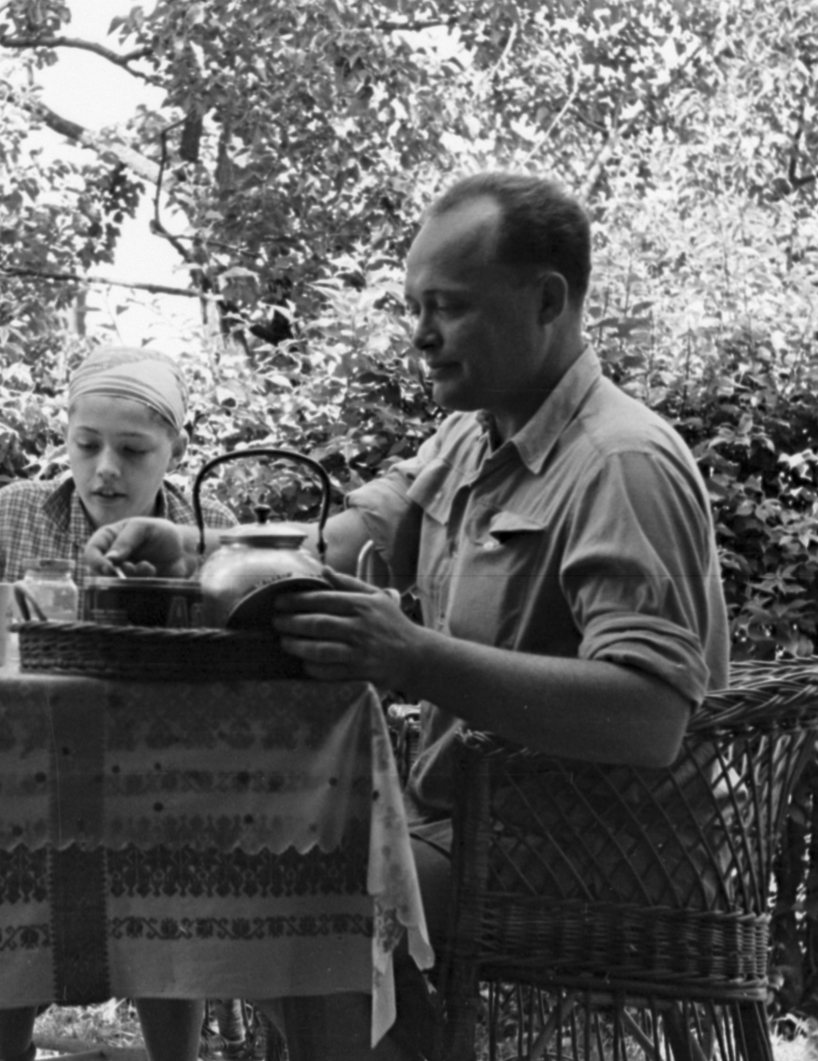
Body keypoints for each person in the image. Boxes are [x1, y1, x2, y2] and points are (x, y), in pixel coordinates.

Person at [84, 171, 730, 1059]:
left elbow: (652, 716)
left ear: (548, 301)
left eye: (450, 306)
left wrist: (412, 655)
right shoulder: (472, 437)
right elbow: (334, 541)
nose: (422, 335)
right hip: (457, 825)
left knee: (281, 897)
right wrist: (191, 551)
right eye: (414, 305)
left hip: (596, 853)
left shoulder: (620, 463)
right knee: (225, 863)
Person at [0, 344, 238, 1061]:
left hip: (165, 779)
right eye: (86, 445)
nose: (106, 470)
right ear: (65, 438)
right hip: (21, 772)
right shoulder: (13, 513)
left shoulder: (207, 522)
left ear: (175, 449)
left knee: (169, 864)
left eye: (133, 449)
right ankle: (6, 1049)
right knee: (4, 846)